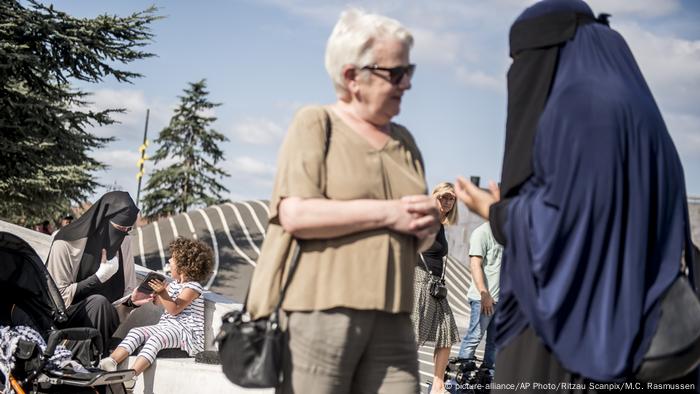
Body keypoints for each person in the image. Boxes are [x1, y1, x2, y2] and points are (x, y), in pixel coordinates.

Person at [455, 0, 697, 387]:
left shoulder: (582, 108)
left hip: (570, 341)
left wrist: (499, 212)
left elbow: (571, 222)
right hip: (627, 328)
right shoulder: (636, 108)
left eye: (523, 59)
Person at [245, 8, 440, 394]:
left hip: (397, 321)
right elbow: (295, 213)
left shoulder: (406, 142)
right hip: (321, 316)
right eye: (397, 73)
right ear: (353, 76)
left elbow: (416, 238)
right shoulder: (316, 123)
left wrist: (428, 225)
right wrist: (391, 212)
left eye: (409, 72)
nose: (407, 84)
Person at [46, 191, 150, 355]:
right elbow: (57, 297)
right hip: (65, 318)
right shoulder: (66, 242)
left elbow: (126, 292)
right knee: (98, 303)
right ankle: (89, 360)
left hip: (104, 319)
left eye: (128, 229)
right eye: (119, 228)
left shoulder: (124, 242)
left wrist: (132, 302)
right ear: (104, 219)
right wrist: (97, 278)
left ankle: (91, 359)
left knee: (102, 306)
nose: (123, 234)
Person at [99, 238, 212, 381]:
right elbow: (161, 303)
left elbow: (174, 309)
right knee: (136, 332)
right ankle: (109, 363)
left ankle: (131, 376)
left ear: (183, 266)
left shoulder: (193, 287)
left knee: (156, 339)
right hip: (167, 327)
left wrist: (163, 293)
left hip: (186, 333)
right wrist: (155, 294)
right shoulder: (174, 284)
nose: (169, 261)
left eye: (173, 258)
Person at [411, 182, 460, 394]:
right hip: (420, 281)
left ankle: (438, 386)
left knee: (446, 334)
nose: (448, 202)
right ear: (435, 196)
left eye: (451, 198)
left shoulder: (440, 225)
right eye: (444, 197)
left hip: (436, 285)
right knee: (413, 335)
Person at [456, 221, 502, 377]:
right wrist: (484, 294)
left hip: (502, 299)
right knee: (474, 337)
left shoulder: (507, 234)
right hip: (483, 299)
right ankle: (461, 377)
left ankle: (487, 377)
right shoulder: (482, 232)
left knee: (495, 342)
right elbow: (475, 265)